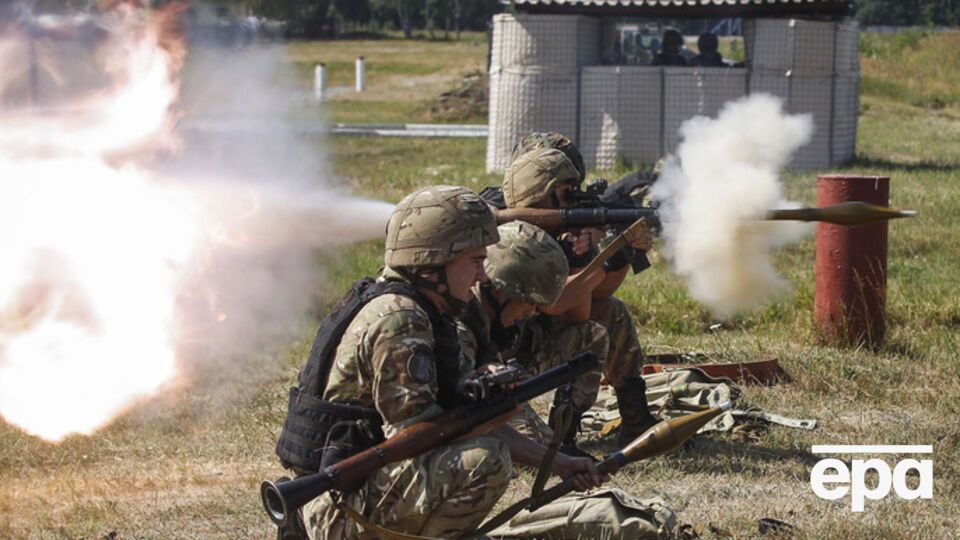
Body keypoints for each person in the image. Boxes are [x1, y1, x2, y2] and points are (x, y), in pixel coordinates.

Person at [275, 185, 604, 539]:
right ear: (433, 264)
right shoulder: (400, 320)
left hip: (351, 486)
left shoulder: (426, 309)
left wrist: (559, 462)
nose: (482, 275)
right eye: (475, 262)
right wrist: (486, 417)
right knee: (485, 462)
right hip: (336, 505)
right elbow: (416, 438)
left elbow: (449, 422)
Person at [500, 138, 661, 451]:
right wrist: (601, 261)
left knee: (610, 312)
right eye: (566, 193)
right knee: (528, 449)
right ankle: (558, 443)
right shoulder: (519, 239)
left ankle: (633, 420)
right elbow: (555, 303)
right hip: (497, 367)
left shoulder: (553, 235)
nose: (574, 201)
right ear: (541, 193)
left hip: (528, 346)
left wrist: (615, 254)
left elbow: (588, 306)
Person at [459, 220, 609, 454]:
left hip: (508, 371)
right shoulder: (462, 325)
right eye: (529, 302)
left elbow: (580, 319)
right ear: (499, 292)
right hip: (468, 404)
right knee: (538, 446)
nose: (531, 312)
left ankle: (566, 431)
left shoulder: (498, 308)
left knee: (591, 335)